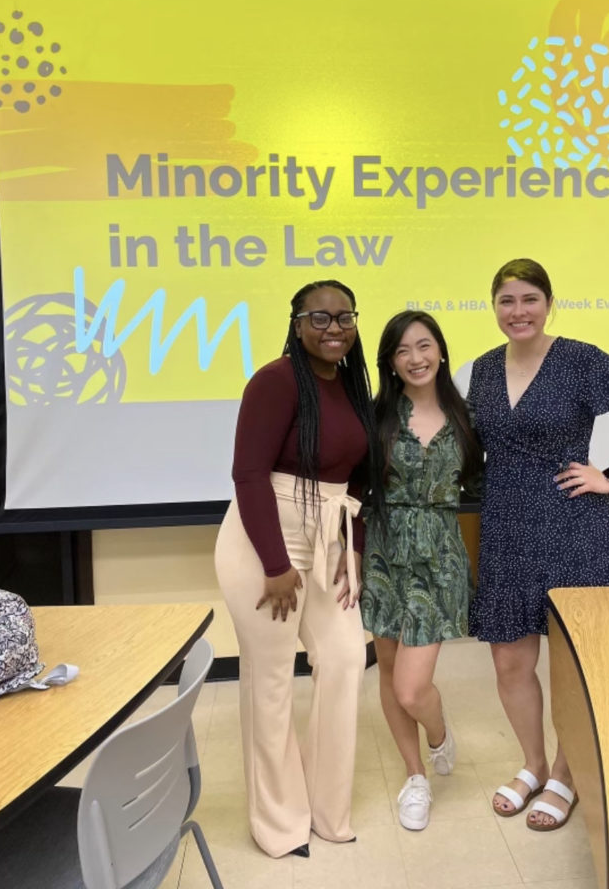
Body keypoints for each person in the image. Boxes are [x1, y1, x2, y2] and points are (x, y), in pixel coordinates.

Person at [466, 259, 609, 832]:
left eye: (530, 299)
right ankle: (533, 764)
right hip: (507, 527)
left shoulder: (580, 359)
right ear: (495, 308)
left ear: (549, 302)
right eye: (507, 301)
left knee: (571, 660)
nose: (519, 312)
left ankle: (566, 772)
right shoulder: (484, 370)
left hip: (571, 524)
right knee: (509, 658)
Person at [214, 280, 378, 859]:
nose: (334, 328)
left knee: (344, 658)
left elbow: (358, 483)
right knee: (273, 679)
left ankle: (327, 808)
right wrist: (276, 564)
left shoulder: (354, 388)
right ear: (298, 322)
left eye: (344, 317)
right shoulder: (276, 381)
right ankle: (279, 823)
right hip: (264, 546)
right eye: (320, 317)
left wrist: (353, 547)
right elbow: (249, 475)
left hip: (329, 539)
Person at [361, 310, 482, 831]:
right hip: (385, 554)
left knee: (413, 688)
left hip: (440, 557)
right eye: (403, 350)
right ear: (390, 362)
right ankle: (415, 777)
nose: (416, 358)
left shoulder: (467, 415)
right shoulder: (375, 418)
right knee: (389, 672)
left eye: (424, 345)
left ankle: (438, 735)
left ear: (440, 349)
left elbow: (481, 485)